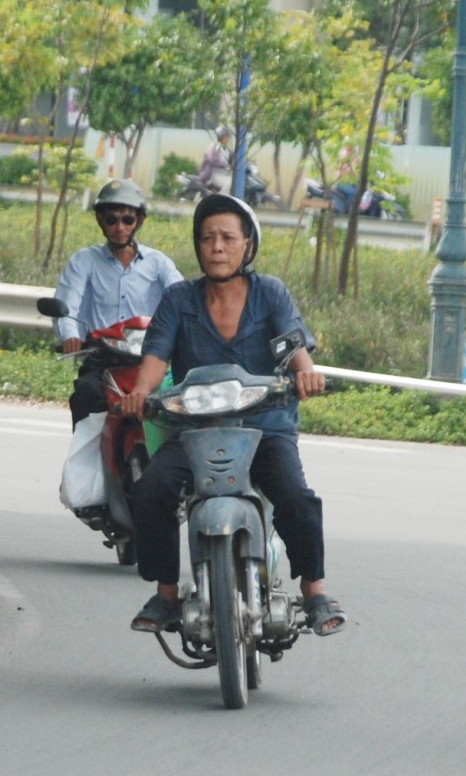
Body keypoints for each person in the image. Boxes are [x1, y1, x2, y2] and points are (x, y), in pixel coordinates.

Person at [118, 195, 344, 637]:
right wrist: (141, 392)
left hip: (265, 431)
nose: (216, 247)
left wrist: (306, 374)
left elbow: (293, 346)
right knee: (151, 491)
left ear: (248, 246)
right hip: (195, 433)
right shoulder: (179, 299)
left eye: (227, 238)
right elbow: (156, 356)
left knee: (297, 498)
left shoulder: (270, 293)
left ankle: (315, 590)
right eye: (207, 238)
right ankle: (166, 594)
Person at [53, 178, 185, 430]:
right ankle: (86, 466)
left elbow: (181, 298)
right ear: (100, 220)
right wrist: (70, 336)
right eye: (111, 219)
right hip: (102, 361)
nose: (119, 227)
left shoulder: (158, 263)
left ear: (140, 221)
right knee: (86, 394)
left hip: (151, 361)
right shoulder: (83, 261)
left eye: (127, 220)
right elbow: (67, 304)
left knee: (181, 406)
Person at [195, 127, 232, 192]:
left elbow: (231, 159)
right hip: (213, 173)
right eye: (227, 136)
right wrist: (225, 165)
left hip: (223, 173)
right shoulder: (215, 146)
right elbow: (213, 160)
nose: (229, 138)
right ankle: (221, 201)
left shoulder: (226, 148)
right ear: (222, 136)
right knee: (228, 183)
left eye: (229, 136)